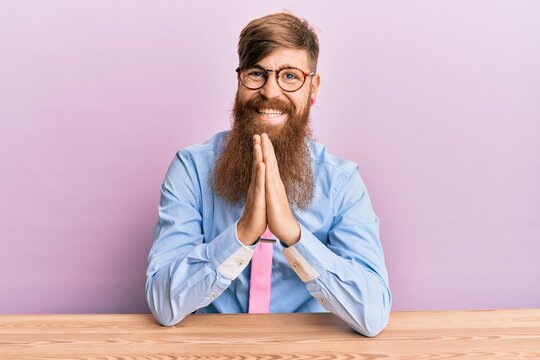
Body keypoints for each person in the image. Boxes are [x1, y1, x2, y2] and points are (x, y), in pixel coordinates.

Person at [145, 12, 391, 337]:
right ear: (239, 80)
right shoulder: (192, 168)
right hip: (213, 349)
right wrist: (242, 234)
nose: (270, 91)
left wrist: (293, 235)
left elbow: (372, 314)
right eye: (257, 73)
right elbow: (163, 305)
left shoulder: (342, 181)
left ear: (312, 88)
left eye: (290, 76)